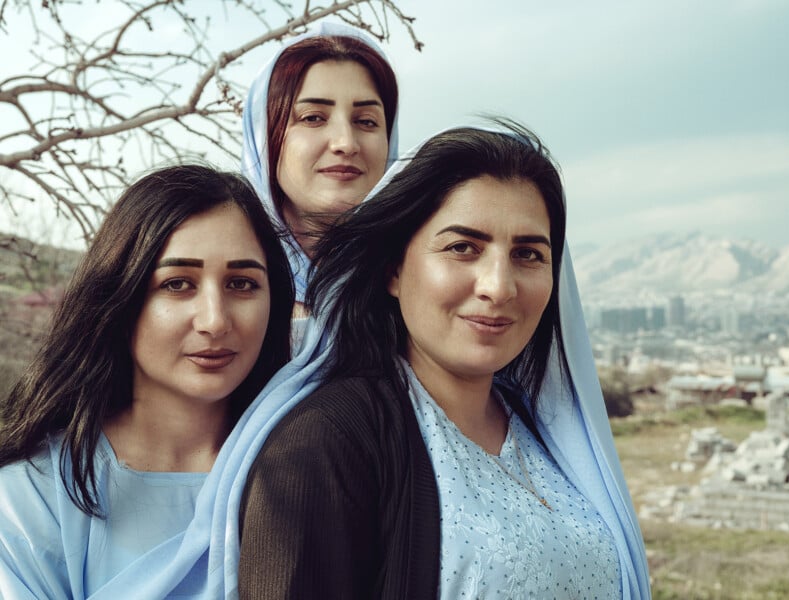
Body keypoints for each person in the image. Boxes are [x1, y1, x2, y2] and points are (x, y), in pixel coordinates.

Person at [237, 122, 652, 599]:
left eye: (528, 254)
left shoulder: (551, 434)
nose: (498, 286)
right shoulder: (327, 443)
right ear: (394, 267)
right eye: (462, 248)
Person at [0, 164, 294, 599]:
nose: (215, 320)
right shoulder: (31, 496)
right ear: (119, 297)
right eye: (177, 284)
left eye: (242, 283)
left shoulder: (308, 470)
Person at [240, 21, 399, 320]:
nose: (346, 143)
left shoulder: (415, 279)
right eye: (313, 118)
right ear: (264, 137)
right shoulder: (223, 278)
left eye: (366, 121)